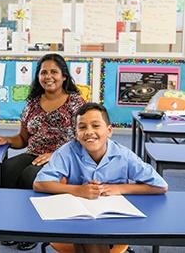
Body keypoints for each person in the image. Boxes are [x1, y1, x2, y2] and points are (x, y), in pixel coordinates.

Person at [34, 102, 168, 253]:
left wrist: (118, 188)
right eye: (82, 127)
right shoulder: (67, 151)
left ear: (109, 130)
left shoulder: (123, 155)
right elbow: (39, 183)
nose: (89, 132)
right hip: (77, 218)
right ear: (76, 134)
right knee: (86, 236)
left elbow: (161, 186)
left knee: (90, 240)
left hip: (113, 220)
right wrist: (78, 190)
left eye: (96, 125)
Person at [0, 53, 85, 251]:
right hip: (34, 153)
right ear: (38, 77)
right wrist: (6, 139)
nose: (48, 76)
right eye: (44, 72)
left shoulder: (76, 102)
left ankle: (32, 229)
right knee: (5, 171)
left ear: (64, 76)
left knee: (30, 177)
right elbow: (22, 138)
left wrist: (56, 154)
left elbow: (83, 139)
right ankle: (11, 225)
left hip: (64, 157)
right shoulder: (32, 103)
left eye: (54, 72)